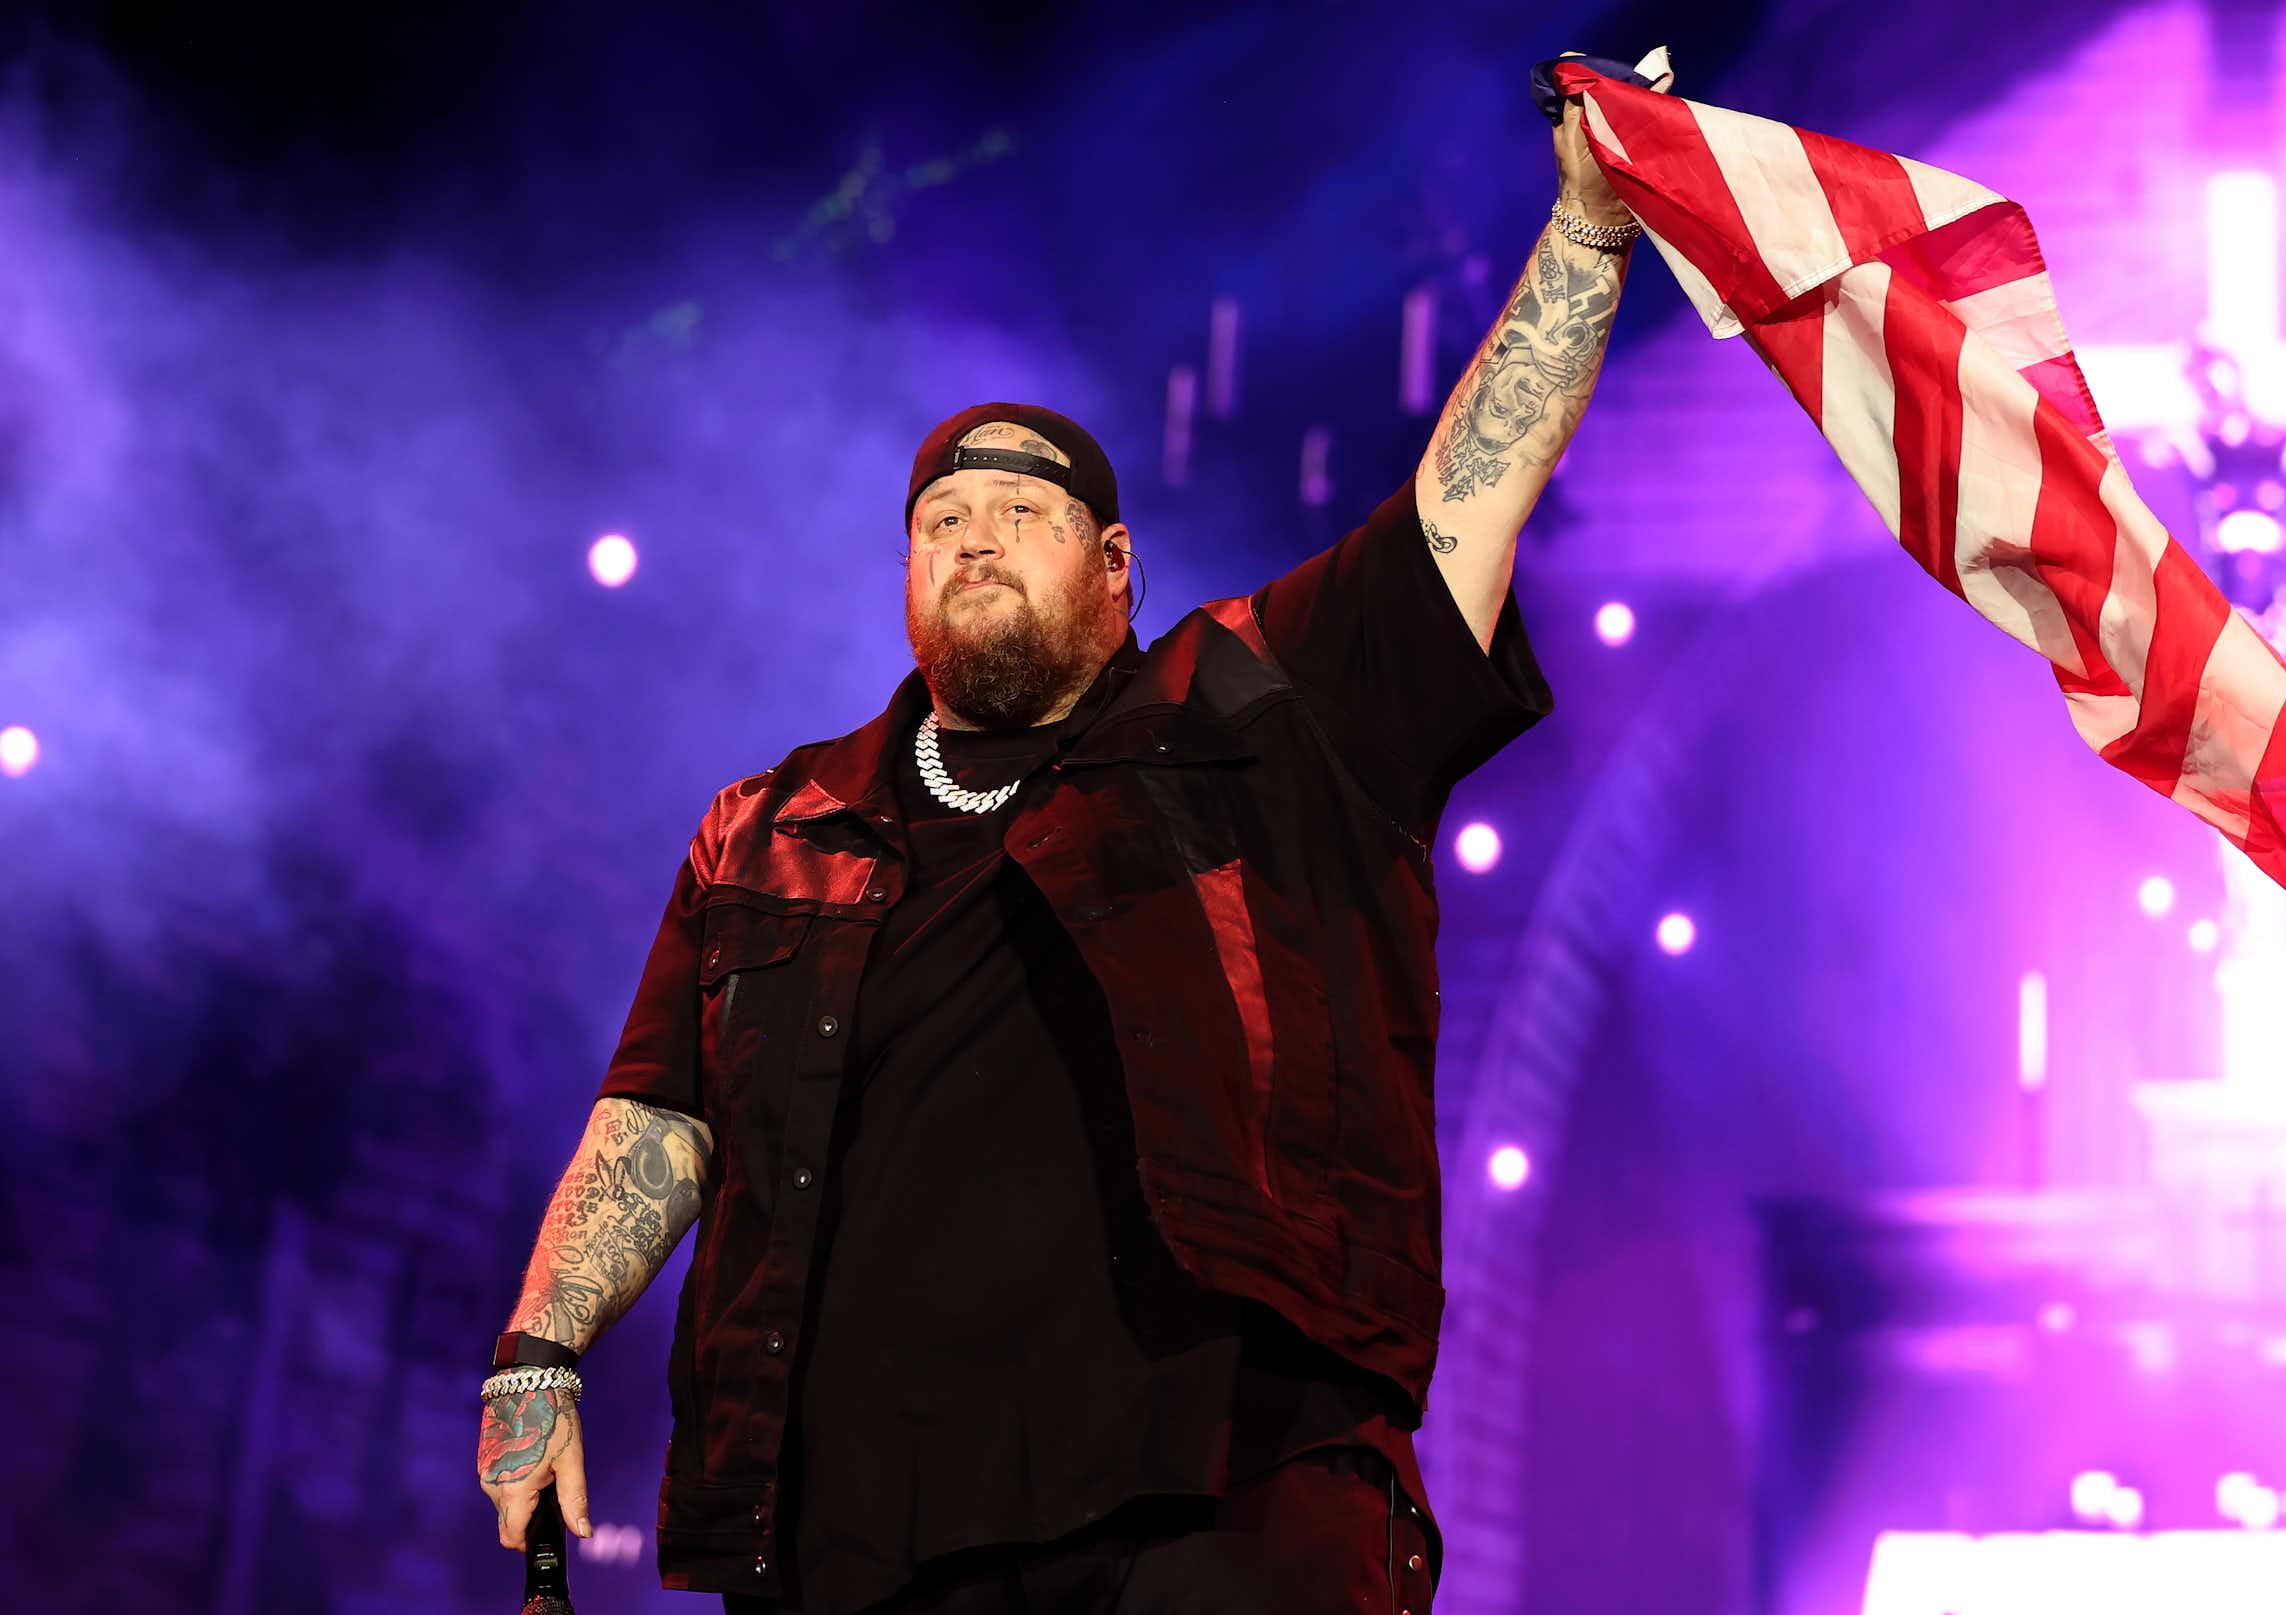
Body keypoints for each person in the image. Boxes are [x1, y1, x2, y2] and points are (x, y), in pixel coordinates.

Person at [477, 72, 1660, 1615]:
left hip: (1209, 1510)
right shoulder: (772, 828)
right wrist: (541, 1351)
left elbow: (1465, 505)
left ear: (1114, 569)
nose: (973, 534)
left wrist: (1587, 229)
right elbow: (663, 1117)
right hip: (854, 1542)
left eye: (1019, 513)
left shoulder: (1251, 718)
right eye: (940, 520)